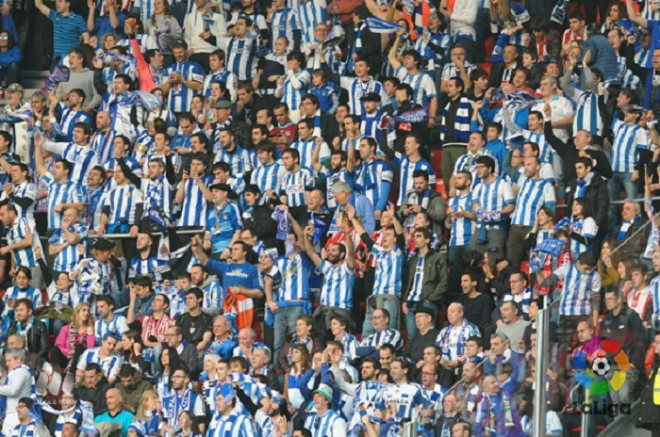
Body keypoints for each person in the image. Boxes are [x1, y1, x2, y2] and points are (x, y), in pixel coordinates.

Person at [0, 349, 36, 435]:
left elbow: (13, 390)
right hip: (12, 414)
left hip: (16, 414)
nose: (6, 363)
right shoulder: (15, 372)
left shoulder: (20, 371)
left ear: (18, 359)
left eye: (9, 360)